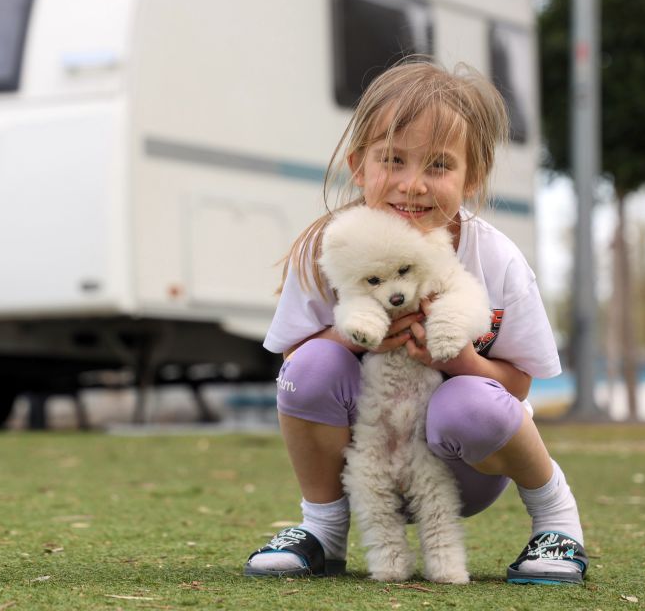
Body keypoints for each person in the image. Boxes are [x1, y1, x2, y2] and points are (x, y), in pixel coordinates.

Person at [243, 59, 587, 585]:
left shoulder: (496, 259)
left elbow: (519, 383)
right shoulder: (328, 249)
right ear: (359, 167)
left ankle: (556, 520)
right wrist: (357, 338)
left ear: (472, 177)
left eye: (439, 165)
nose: (413, 185)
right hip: (367, 456)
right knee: (312, 366)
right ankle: (323, 530)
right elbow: (296, 367)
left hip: (464, 468)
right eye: (394, 159)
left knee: (469, 403)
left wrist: (462, 359)